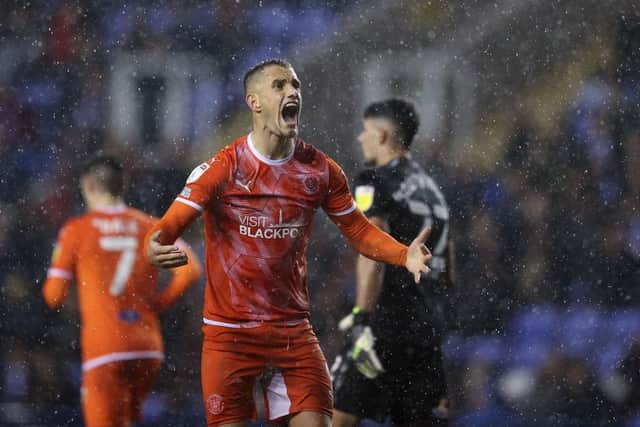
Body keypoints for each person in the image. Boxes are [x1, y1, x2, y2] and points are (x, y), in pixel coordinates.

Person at [145, 59, 433, 427]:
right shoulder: (221, 169)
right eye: (280, 86)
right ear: (254, 101)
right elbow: (163, 232)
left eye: (295, 85)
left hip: (292, 335)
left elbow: (359, 231)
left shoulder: (320, 171)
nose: (292, 92)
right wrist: (153, 250)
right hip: (230, 337)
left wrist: (402, 253)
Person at [42, 155, 203, 427]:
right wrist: (159, 303)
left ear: (89, 186)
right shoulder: (148, 225)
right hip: (147, 345)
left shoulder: (76, 230)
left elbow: (53, 296)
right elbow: (191, 270)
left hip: (104, 346)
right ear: (122, 186)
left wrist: (80, 299)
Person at [330, 99, 453, 427]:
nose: (360, 138)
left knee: (333, 414)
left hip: (385, 321)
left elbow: (372, 249)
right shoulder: (432, 189)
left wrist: (361, 318)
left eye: (366, 131)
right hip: (426, 327)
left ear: (382, 135)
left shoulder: (374, 179)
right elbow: (447, 264)